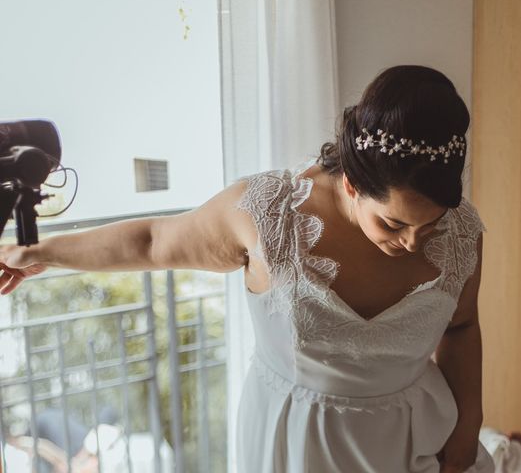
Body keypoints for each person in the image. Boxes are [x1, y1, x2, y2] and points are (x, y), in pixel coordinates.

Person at [0, 65, 494, 472]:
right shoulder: (267, 214)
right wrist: (40, 251)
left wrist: (468, 424)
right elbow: (153, 242)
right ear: (351, 186)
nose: (411, 243)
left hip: (414, 444)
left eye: (428, 227)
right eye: (393, 224)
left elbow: (463, 325)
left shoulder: (462, 232)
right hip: (296, 444)